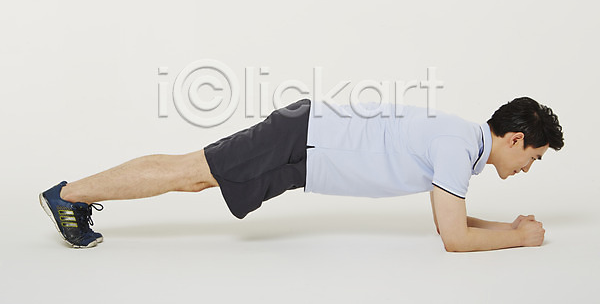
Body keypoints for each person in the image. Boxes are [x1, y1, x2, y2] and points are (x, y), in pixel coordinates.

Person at [39, 96, 564, 252]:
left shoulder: (464, 146)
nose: (527, 168)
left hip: (305, 155)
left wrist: (507, 228)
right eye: (534, 157)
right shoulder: (458, 145)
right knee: (192, 171)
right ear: (515, 139)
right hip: (303, 138)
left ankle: (72, 196)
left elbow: (452, 222)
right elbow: (453, 238)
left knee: (196, 174)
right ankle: (68, 194)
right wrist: (518, 237)